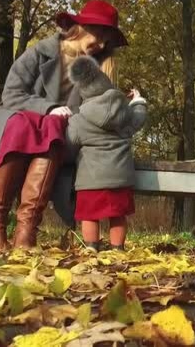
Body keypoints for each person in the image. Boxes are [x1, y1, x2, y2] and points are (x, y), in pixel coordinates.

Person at [0, 0, 128, 250]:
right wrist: (47, 108)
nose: (102, 45)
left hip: (59, 135)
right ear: (81, 27)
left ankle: (26, 229)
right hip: (15, 123)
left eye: (107, 41)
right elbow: (12, 94)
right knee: (24, 125)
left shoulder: (95, 69)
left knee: (52, 128)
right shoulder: (41, 52)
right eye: (100, 35)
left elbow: (94, 110)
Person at [65, 54, 147, 251]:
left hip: (90, 179)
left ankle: (91, 246)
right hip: (120, 177)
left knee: (89, 215)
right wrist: (138, 101)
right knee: (118, 215)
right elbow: (138, 119)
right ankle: (117, 248)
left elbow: (69, 142)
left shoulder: (80, 119)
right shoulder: (123, 111)